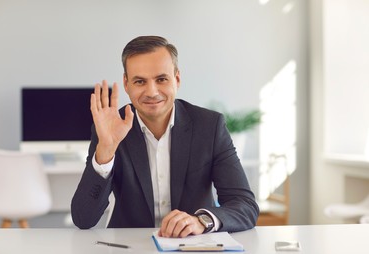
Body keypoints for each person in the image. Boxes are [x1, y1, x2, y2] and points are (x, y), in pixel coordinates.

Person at [71, 35, 259, 238]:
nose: (152, 92)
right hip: (130, 252)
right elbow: (83, 218)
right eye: (140, 81)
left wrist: (201, 221)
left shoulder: (209, 126)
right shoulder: (110, 129)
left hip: (194, 250)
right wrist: (106, 152)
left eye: (161, 79)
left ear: (176, 79)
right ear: (127, 84)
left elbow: (245, 206)